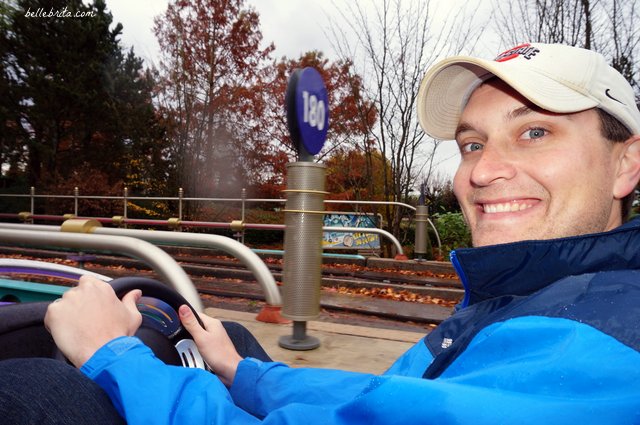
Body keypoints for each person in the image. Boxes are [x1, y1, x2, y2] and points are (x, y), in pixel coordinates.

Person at [3, 42, 640, 424]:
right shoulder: (541, 300)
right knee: (234, 343)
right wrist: (248, 373)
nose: (484, 170)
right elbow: (385, 399)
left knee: (33, 392)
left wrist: (111, 355)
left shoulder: (605, 352)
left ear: (626, 162)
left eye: (535, 132)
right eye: (473, 143)